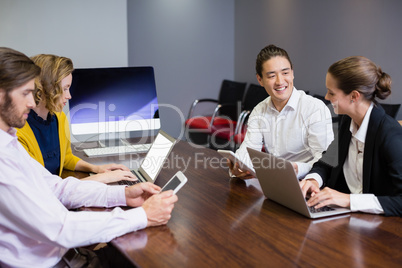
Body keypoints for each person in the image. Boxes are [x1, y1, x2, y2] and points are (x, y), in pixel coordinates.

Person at [0, 47, 178, 267]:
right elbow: (61, 229)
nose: (31, 101)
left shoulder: (9, 143)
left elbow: (56, 187)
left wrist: (123, 194)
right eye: (25, 93)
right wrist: (143, 216)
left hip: (63, 255)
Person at [300, 56, 402, 216]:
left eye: (331, 92)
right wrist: (313, 180)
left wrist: (349, 200)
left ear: (354, 96)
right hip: (342, 218)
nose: (326, 97)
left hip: (378, 229)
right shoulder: (347, 120)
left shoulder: (390, 134)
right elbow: (327, 162)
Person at [16, 54, 135, 184]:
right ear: (47, 88)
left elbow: (65, 158)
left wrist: (97, 168)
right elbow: (40, 185)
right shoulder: (17, 132)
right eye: (65, 89)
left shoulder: (59, 117)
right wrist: (102, 178)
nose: (69, 96)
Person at [229, 45, 334, 179]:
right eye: (272, 75)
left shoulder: (314, 108)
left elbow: (325, 160)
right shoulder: (259, 110)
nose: (280, 81)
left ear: (292, 73)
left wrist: (297, 168)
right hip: (274, 181)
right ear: (260, 80)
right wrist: (239, 165)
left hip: (307, 182)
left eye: (285, 73)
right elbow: (249, 148)